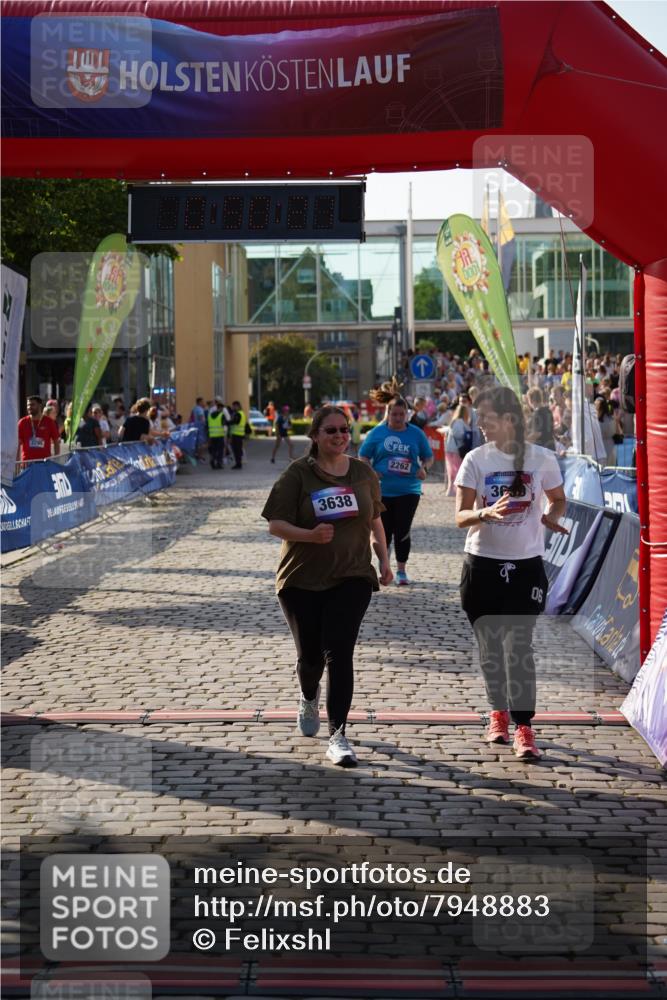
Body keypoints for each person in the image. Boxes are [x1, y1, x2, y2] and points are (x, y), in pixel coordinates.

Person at [262, 405, 392, 767]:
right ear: (316, 436)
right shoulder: (298, 474)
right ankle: (307, 695)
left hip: (352, 575)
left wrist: (383, 559)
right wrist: (310, 535)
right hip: (301, 578)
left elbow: (375, 521)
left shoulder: (363, 473)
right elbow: (275, 524)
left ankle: (338, 736)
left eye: (344, 430)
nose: (339, 436)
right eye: (331, 430)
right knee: (311, 658)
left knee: (340, 652)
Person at [455, 385, 568, 760]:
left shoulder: (542, 459)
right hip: (481, 564)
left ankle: (524, 726)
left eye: (486, 418)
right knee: (490, 650)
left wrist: (551, 518)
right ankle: (497, 713)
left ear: (509, 420)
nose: (481, 424)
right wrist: (483, 514)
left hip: (525, 567)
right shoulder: (476, 459)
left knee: (518, 646)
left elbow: (558, 499)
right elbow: (460, 516)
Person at [359, 378, 433, 585]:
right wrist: (372, 471)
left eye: (402, 414)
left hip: (409, 490)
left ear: (407, 414)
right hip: (382, 491)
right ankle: (385, 566)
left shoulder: (416, 434)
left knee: (403, 529)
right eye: (395, 414)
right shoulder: (378, 433)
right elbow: (363, 456)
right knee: (384, 531)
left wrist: (424, 468)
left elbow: (428, 456)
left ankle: (401, 570)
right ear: (388, 414)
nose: (399, 418)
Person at [17, 396, 61, 465]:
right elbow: (18, 444)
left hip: (44, 463)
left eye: (32, 405)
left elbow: (56, 442)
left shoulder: (49, 422)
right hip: (26, 465)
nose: (29, 407)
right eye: (28, 405)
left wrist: (56, 460)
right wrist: (17, 462)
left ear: (40, 406)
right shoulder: (22, 422)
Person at [445, 399, 473, 497]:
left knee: (452, 471)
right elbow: (458, 434)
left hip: (450, 449)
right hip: (456, 450)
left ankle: (451, 490)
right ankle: (454, 491)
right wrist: (466, 435)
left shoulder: (455, 421)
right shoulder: (460, 422)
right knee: (456, 470)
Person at [207, 397, 227, 469]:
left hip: (212, 436)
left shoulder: (210, 415)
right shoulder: (222, 415)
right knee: (220, 450)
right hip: (220, 435)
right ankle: (219, 463)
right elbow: (224, 425)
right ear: (220, 408)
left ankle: (212, 460)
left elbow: (207, 425)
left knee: (213, 450)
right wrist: (225, 434)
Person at [228, 400, 247, 469]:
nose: (233, 407)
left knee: (237, 450)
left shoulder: (238, 414)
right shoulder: (241, 413)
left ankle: (238, 464)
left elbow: (235, 422)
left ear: (237, 406)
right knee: (237, 450)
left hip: (237, 434)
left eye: (234, 406)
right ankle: (238, 463)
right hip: (239, 434)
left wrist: (227, 422)